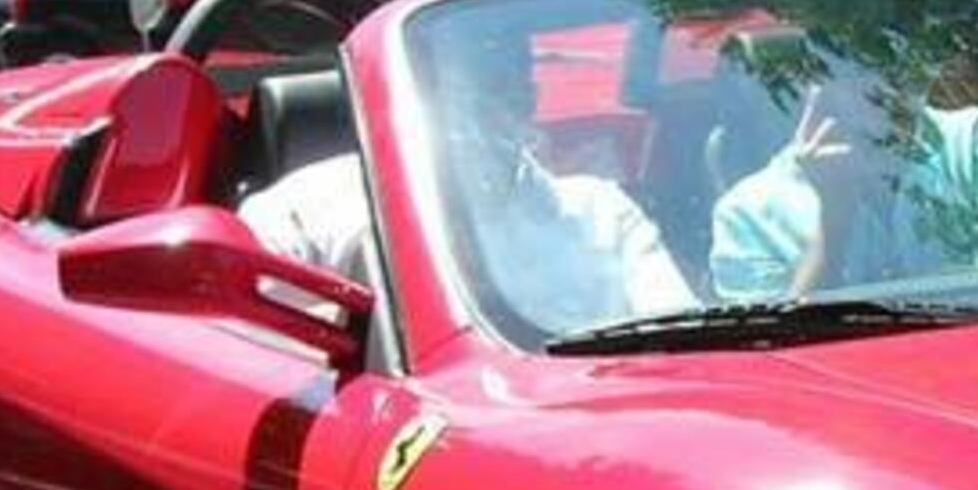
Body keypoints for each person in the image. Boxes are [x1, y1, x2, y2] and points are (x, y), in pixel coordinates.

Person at [240, 149, 690, 337]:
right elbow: (249, 360)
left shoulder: (597, 210)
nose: (488, 106)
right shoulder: (309, 209)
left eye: (509, 79)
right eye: (467, 88)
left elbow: (681, 339)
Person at [710, 54, 978, 301]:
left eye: (900, 63)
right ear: (816, 88)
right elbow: (775, 358)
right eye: (858, 74)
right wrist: (834, 218)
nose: (891, 87)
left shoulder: (970, 139)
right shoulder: (748, 213)